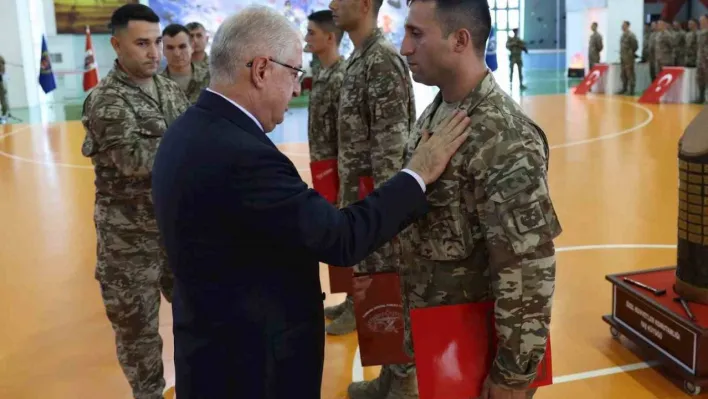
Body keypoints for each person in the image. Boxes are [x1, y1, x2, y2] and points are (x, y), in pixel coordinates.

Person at [150, 6, 471, 399]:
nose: (297, 88)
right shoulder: (244, 156)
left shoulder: (184, 132)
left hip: (210, 352)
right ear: (261, 71)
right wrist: (417, 172)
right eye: (293, 74)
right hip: (253, 369)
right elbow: (340, 239)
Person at [398, 0, 562, 398]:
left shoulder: (504, 137)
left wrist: (512, 374)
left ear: (460, 40)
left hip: (477, 354)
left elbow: (526, 269)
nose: (404, 48)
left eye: (416, 34)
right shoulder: (440, 112)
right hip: (442, 341)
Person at [80, 4, 190, 399]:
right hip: (128, 243)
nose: (154, 52)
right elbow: (134, 161)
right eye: (142, 43)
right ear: (116, 45)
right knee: (139, 335)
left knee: (197, 316)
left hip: (174, 233)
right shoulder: (105, 100)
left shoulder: (168, 90)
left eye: (157, 42)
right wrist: (192, 147)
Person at [326, 0, 416, 342]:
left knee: (384, 284)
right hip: (358, 189)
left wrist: (386, 209)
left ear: (364, 5)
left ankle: (397, 384)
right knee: (364, 264)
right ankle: (355, 304)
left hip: (374, 193)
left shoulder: (381, 60)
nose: (332, 5)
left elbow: (391, 146)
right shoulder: (360, 56)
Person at [305, 10, 345, 170]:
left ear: (329, 37)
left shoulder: (342, 78)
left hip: (337, 168)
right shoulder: (322, 74)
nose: (306, 39)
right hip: (321, 163)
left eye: (311, 33)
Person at [160, 23, 210, 103]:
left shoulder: (212, 79)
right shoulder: (155, 86)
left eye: (182, 46)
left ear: (191, 48)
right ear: (163, 51)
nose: (177, 53)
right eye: (170, 48)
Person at [618, 21, 638, 95]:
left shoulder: (631, 35)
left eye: (624, 25)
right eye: (622, 25)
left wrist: (630, 53)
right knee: (623, 74)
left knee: (630, 73)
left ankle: (631, 90)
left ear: (628, 26)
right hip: (623, 57)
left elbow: (635, 46)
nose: (622, 26)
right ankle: (624, 88)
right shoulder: (623, 35)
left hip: (629, 58)